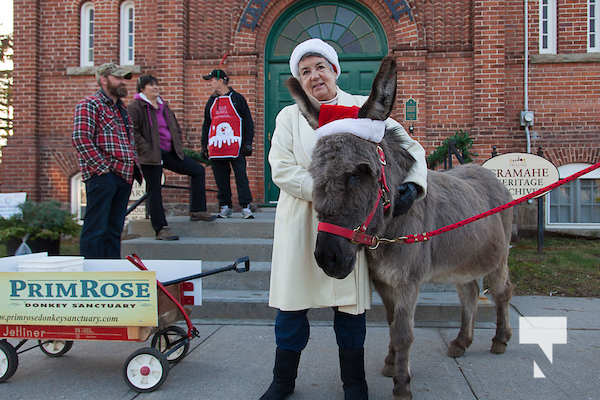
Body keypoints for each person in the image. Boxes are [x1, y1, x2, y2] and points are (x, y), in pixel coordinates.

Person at [262, 39, 428, 400]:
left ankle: (355, 386)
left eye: (319, 67)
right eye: (304, 72)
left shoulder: (363, 111)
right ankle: (282, 382)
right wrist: (330, 189)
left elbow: (412, 150)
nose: (313, 76)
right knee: (291, 309)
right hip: (302, 224)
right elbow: (282, 170)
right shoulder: (289, 117)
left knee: (349, 313)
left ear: (334, 70)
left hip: (351, 228)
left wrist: (413, 187)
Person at [128, 75, 216, 241]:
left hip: (170, 152)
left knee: (197, 170)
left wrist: (177, 142)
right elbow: (133, 132)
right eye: (151, 85)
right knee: (154, 190)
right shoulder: (136, 107)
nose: (155, 88)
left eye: (156, 84)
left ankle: (197, 210)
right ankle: (160, 228)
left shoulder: (163, 105)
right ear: (142, 89)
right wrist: (146, 148)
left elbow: (173, 126)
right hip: (150, 155)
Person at [72, 62, 142, 258]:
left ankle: (112, 271)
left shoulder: (121, 109)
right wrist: (103, 170)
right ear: (103, 80)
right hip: (102, 176)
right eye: (117, 78)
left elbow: (127, 141)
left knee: (114, 231)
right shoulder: (90, 104)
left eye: (123, 79)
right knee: (96, 229)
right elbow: (81, 138)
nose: (122, 82)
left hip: (123, 175)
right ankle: (93, 275)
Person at [201, 69, 255, 219]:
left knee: (241, 176)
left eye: (212, 80)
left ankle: (245, 206)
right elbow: (207, 125)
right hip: (217, 147)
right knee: (221, 179)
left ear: (220, 80)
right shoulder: (211, 101)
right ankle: (225, 206)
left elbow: (248, 122)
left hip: (236, 146)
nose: (210, 83)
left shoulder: (238, 99)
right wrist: (203, 145)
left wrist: (248, 143)